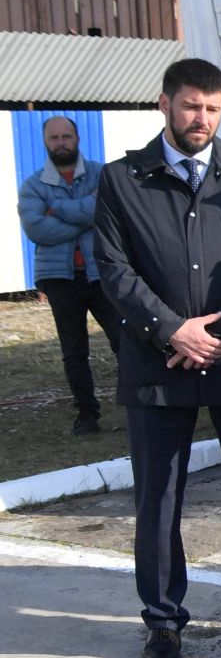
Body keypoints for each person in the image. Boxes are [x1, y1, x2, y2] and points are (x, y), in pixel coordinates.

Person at [92, 58, 221, 658]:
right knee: (159, 499)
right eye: (189, 106)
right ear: (164, 104)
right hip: (160, 362)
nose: (200, 118)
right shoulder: (122, 180)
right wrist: (171, 330)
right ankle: (161, 621)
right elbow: (114, 269)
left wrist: (220, 331)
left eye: (211, 107)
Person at [18, 115, 119, 436]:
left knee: (125, 341)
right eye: (54, 138)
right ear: (46, 143)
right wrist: (86, 215)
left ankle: (142, 402)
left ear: (77, 139)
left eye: (66, 137)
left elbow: (104, 210)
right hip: (59, 279)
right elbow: (36, 228)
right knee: (74, 351)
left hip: (102, 272)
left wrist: (58, 209)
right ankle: (87, 415)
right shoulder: (33, 185)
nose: (61, 143)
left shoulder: (102, 174)